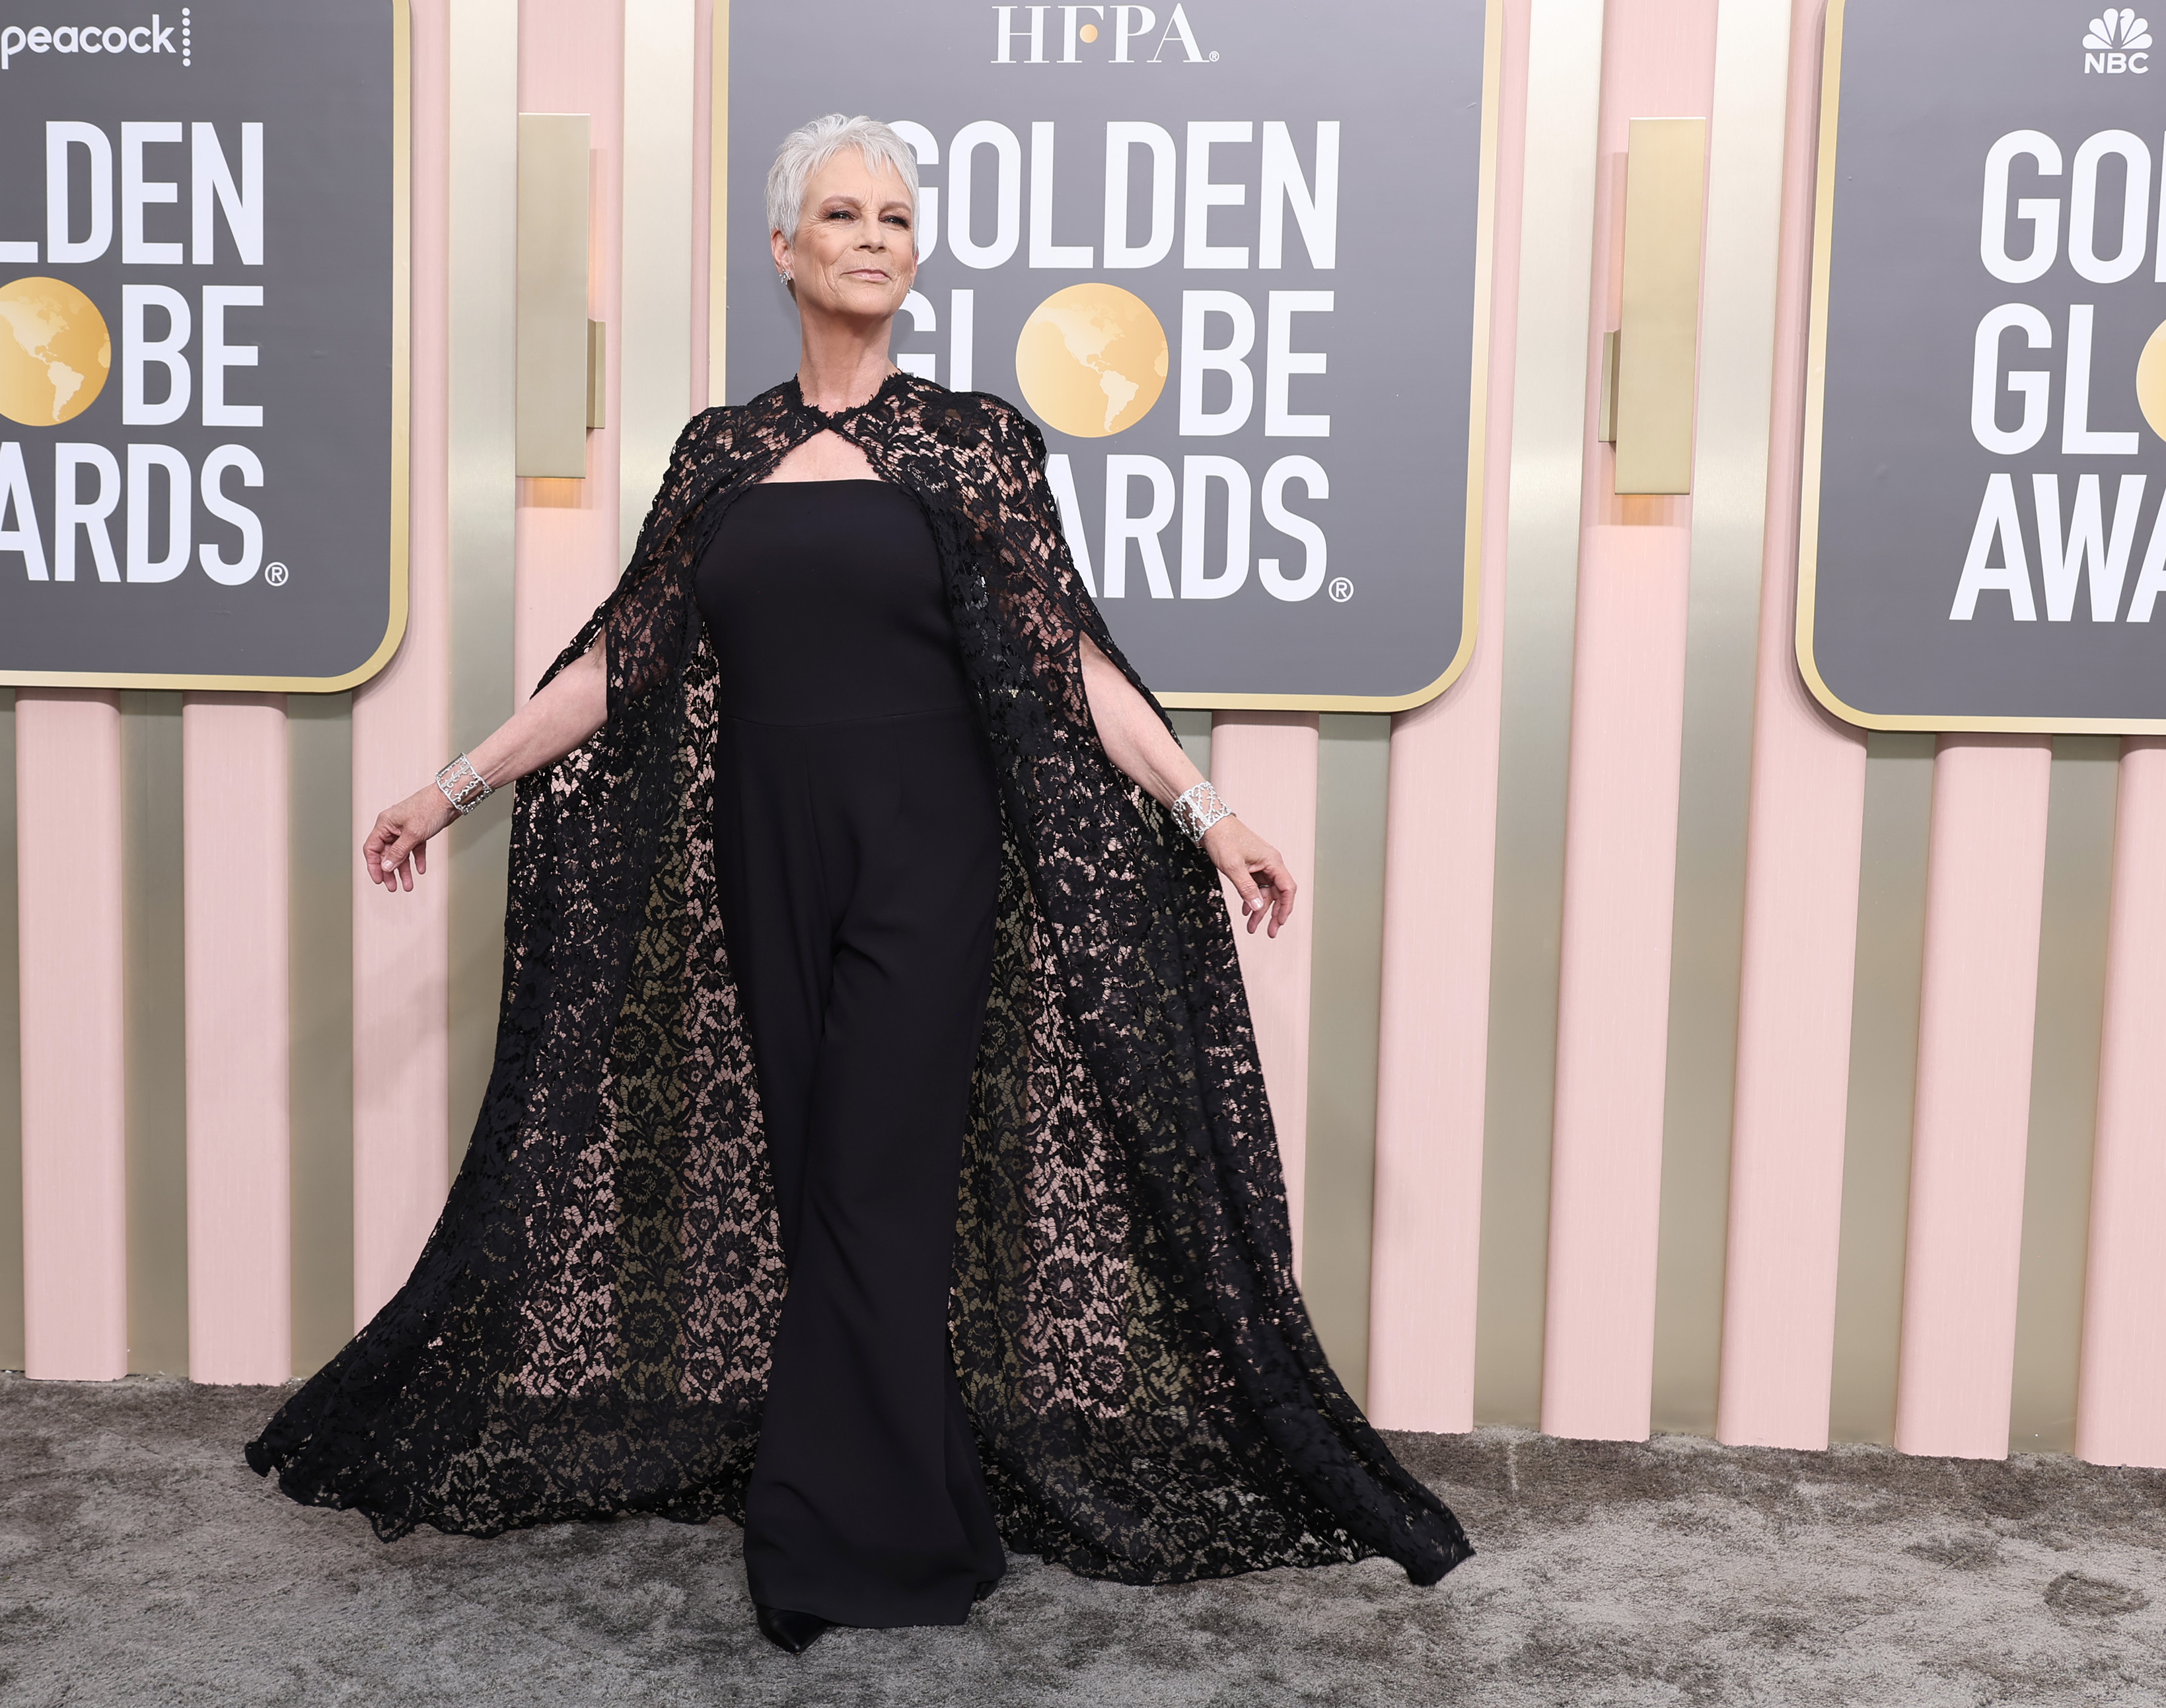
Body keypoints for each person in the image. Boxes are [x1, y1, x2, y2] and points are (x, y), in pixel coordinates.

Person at [248, 113, 1470, 1654]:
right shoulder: (720, 452)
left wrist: (1205, 808)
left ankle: (833, 1534)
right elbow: (622, 661)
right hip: (767, 852)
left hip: (924, 857)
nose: (877, 236)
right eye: (843, 213)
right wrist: (451, 785)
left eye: (898, 214)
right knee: (819, 1174)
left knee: (876, 1179)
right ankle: (925, 1498)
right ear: (785, 250)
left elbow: (1067, 662)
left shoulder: (971, 443)